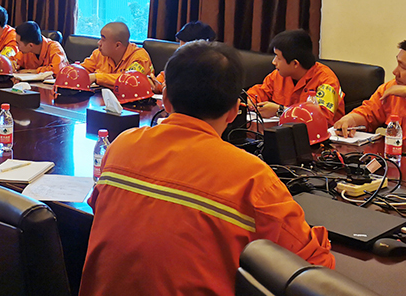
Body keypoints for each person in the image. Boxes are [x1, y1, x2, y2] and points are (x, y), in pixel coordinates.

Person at [80, 41, 334, 295]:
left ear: (165, 100)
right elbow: (313, 267)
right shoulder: (252, 178)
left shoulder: (120, 145)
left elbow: (100, 207)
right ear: (234, 111)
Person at [246, 29, 345, 124]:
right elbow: (260, 92)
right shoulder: (278, 75)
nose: (274, 62)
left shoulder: (326, 81)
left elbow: (321, 119)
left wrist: (280, 111)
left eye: (278, 58)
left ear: (295, 63)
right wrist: (250, 101)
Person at [150, 20, 216, 93]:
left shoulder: (214, 69)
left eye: (185, 50)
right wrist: (157, 86)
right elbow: (163, 78)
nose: (181, 55)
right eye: (180, 48)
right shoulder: (178, 63)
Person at [81, 22, 153, 88]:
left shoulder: (140, 57)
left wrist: (97, 77)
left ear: (117, 45)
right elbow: (82, 72)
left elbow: (130, 80)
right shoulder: (99, 54)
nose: (99, 43)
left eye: (103, 39)